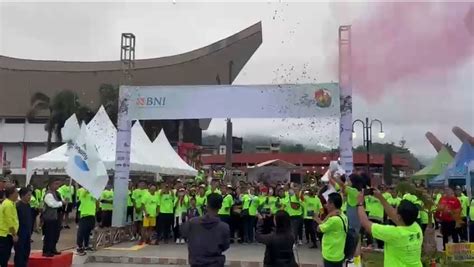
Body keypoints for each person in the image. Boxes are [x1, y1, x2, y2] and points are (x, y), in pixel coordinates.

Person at [357, 189, 423, 267]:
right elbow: (394, 215)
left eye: (396, 209)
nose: (394, 210)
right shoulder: (416, 227)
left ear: (399, 217)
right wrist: (380, 197)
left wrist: (360, 203)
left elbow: (366, 224)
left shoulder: (395, 234)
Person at [182, 193, 230, 267]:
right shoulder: (224, 227)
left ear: (207, 205)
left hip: (197, 262)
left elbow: (184, 234)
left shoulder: (192, 222)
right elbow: (225, 246)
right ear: (220, 206)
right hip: (215, 263)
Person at [315, 192, 347, 267]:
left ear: (332, 204)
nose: (326, 205)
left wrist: (328, 215)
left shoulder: (334, 220)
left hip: (331, 254)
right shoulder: (343, 215)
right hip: (339, 253)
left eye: (327, 203)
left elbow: (319, 228)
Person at [42, 178, 65, 257]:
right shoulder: (48, 194)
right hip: (50, 217)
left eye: (58, 184)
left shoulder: (57, 193)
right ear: (50, 184)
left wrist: (64, 201)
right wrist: (61, 203)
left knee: (55, 234)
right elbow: (52, 204)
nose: (57, 186)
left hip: (57, 216)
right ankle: (46, 250)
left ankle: (53, 248)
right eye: (56, 184)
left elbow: (61, 201)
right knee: (49, 234)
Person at [0, 185, 19, 267]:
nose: (18, 195)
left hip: (6, 233)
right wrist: (14, 234)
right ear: (11, 194)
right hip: (5, 234)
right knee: (4, 256)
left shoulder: (11, 203)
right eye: (16, 193)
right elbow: (9, 221)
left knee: (5, 256)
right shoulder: (8, 205)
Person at [14, 188, 33, 267]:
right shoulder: (17, 206)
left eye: (30, 195)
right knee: (19, 252)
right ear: (22, 195)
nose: (30, 197)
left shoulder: (28, 205)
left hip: (27, 232)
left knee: (26, 251)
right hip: (20, 232)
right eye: (28, 195)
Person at [76, 188, 97, 256]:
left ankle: (86, 246)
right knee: (81, 231)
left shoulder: (93, 193)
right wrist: (87, 189)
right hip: (84, 215)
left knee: (88, 232)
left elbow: (95, 202)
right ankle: (79, 247)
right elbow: (81, 195)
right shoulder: (82, 190)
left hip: (92, 214)